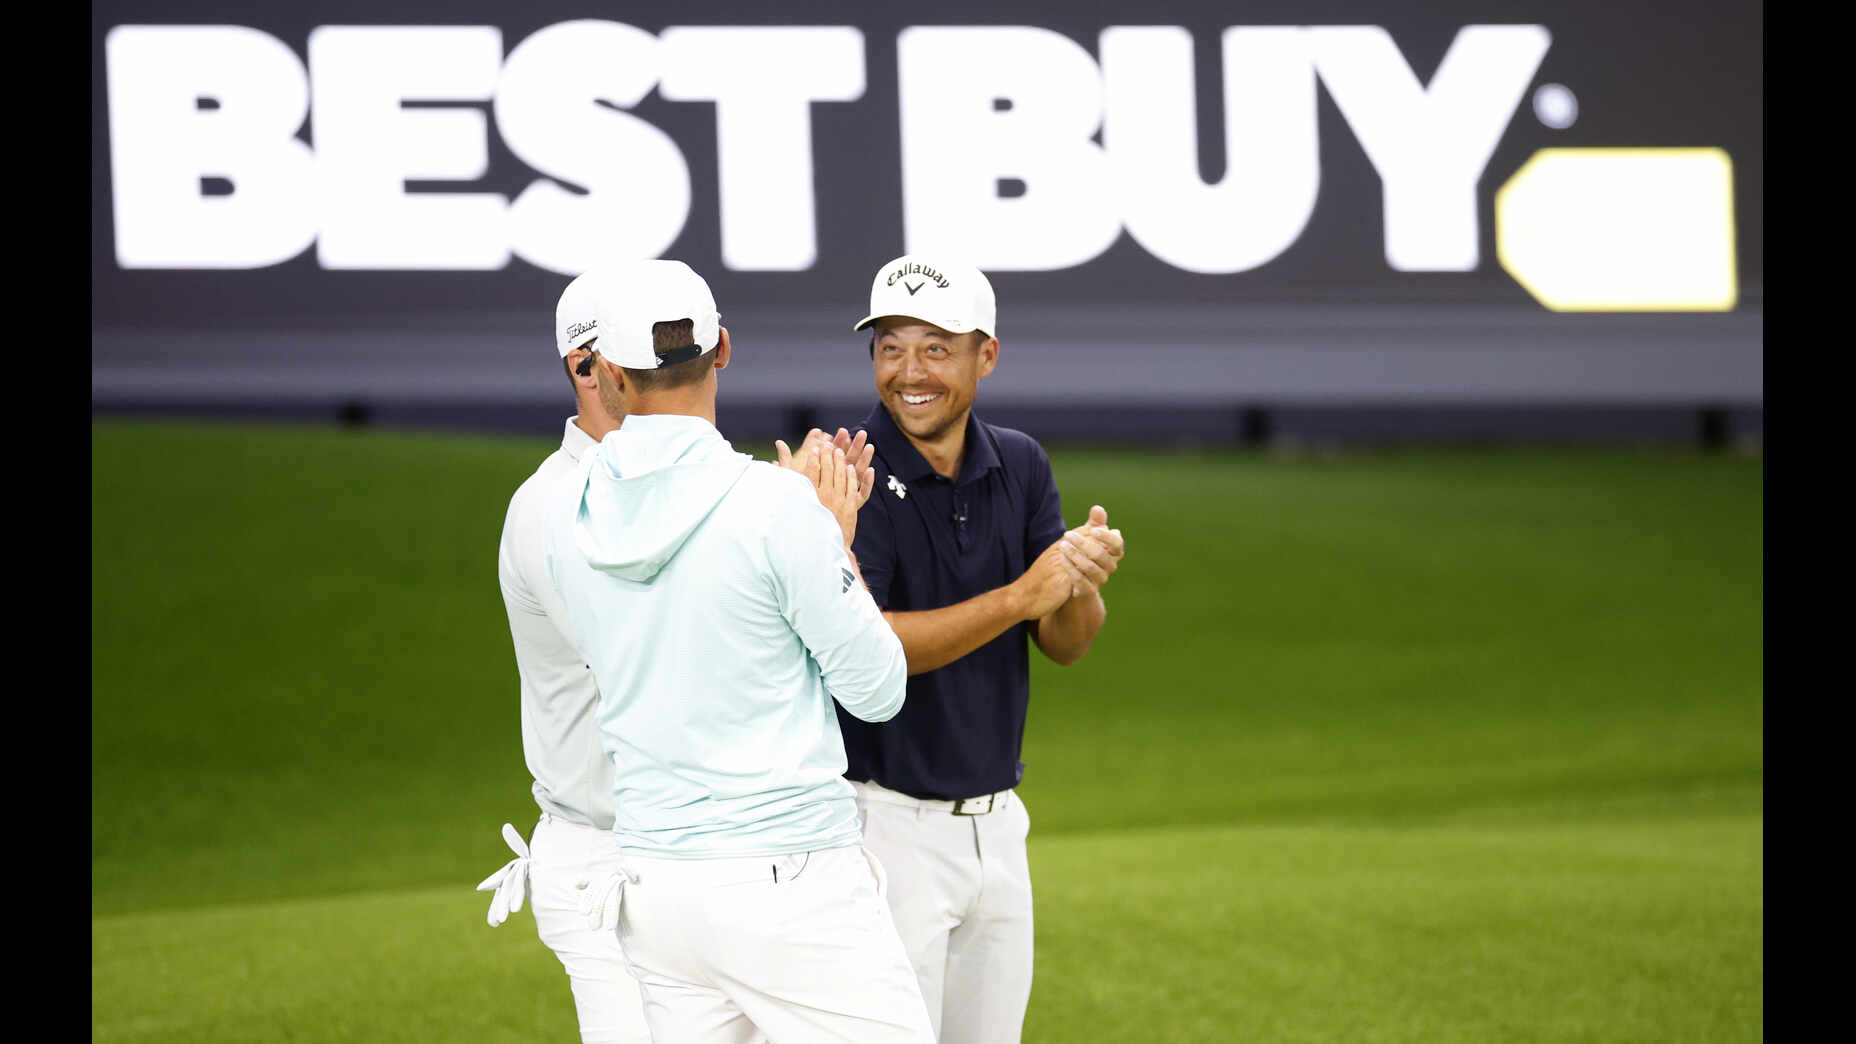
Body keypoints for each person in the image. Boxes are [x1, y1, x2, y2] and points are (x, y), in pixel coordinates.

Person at [547, 259, 937, 1044]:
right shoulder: (776, 507)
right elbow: (878, 687)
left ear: (609, 373)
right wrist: (832, 538)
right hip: (791, 883)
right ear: (722, 349)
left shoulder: (568, 516)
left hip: (659, 894)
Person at [835, 253, 1126, 1044]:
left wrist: (1079, 579)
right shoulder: (848, 471)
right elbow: (875, 649)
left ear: (984, 356)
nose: (909, 371)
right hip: (879, 825)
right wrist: (1021, 595)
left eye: (936, 346)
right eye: (890, 346)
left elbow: (1064, 643)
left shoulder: (1020, 463)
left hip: (998, 826)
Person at [476, 265, 654, 1044]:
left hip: (695, 852)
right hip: (605, 858)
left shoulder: (686, 482)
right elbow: (648, 657)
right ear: (588, 367)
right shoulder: (550, 505)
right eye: (642, 356)